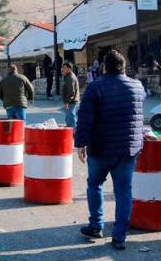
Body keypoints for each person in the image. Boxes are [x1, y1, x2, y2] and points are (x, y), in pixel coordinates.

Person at [75, 50, 146, 250]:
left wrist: (80, 143)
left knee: (94, 185)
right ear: (124, 67)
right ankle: (120, 236)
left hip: (100, 148)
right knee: (124, 191)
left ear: (104, 67)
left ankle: (96, 225)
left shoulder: (95, 87)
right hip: (127, 150)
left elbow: (85, 118)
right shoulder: (137, 86)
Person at [61, 61, 80, 128]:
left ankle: (73, 131)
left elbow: (71, 92)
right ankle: (70, 130)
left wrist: (67, 102)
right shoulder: (68, 76)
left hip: (71, 101)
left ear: (69, 69)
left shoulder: (70, 78)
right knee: (68, 117)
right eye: (62, 67)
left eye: (64, 68)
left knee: (71, 117)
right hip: (70, 101)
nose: (62, 69)